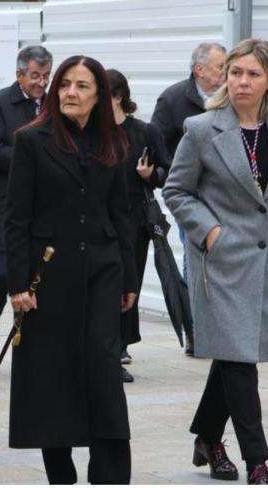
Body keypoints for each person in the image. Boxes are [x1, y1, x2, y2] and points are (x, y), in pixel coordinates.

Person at [163, 39, 268, 485]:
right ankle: (258, 461)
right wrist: (211, 232)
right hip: (223, 266)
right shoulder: (201, 128)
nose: (242, 82)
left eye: (252, 74)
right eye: (235, 73)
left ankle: (208, 436)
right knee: (239, 362)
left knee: (235, 355)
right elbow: (177, 191)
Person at [6, 55, 136, 484]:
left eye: (81, 86)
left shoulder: (112, 142)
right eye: (64, 84)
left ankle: (111, 474)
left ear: (100, 94)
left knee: (103, 369)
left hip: (102, 270)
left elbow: (122, 214)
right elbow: (16, 217)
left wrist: (129, 278)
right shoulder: (31, 140)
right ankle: (60, 473)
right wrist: (18, 283)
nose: (70, 93)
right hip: (49, 276)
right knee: (53, 374)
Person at [0, 45, 52, 367]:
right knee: (2, 273)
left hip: (44, 207)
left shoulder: (53, 103)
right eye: (35, 76)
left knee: (39, 278)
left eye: (46, 76)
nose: (41, 83)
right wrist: (33, 160)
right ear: (19, 74)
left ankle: (32, 340)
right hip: (5, 205)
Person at [150, 41, 226, 356]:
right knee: (195, 258)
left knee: (223, 259)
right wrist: (173, 175)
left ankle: (222, 325)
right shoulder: (172, 99)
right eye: (221, 67)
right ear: (200, 69)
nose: (226, 73)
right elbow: (156, 144)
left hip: (225, 194)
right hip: (191, 195)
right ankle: (196, 328)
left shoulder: (230, 98)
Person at [107, 69, 170, 384]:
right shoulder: (92, 131)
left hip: (133, 221)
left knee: (125, 285)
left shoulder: (145, 132)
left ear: (117, 97)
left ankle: (118, 349)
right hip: (100, 220)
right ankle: (109, 349)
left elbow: (168, 172)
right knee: (106, 285)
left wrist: (150, 176)